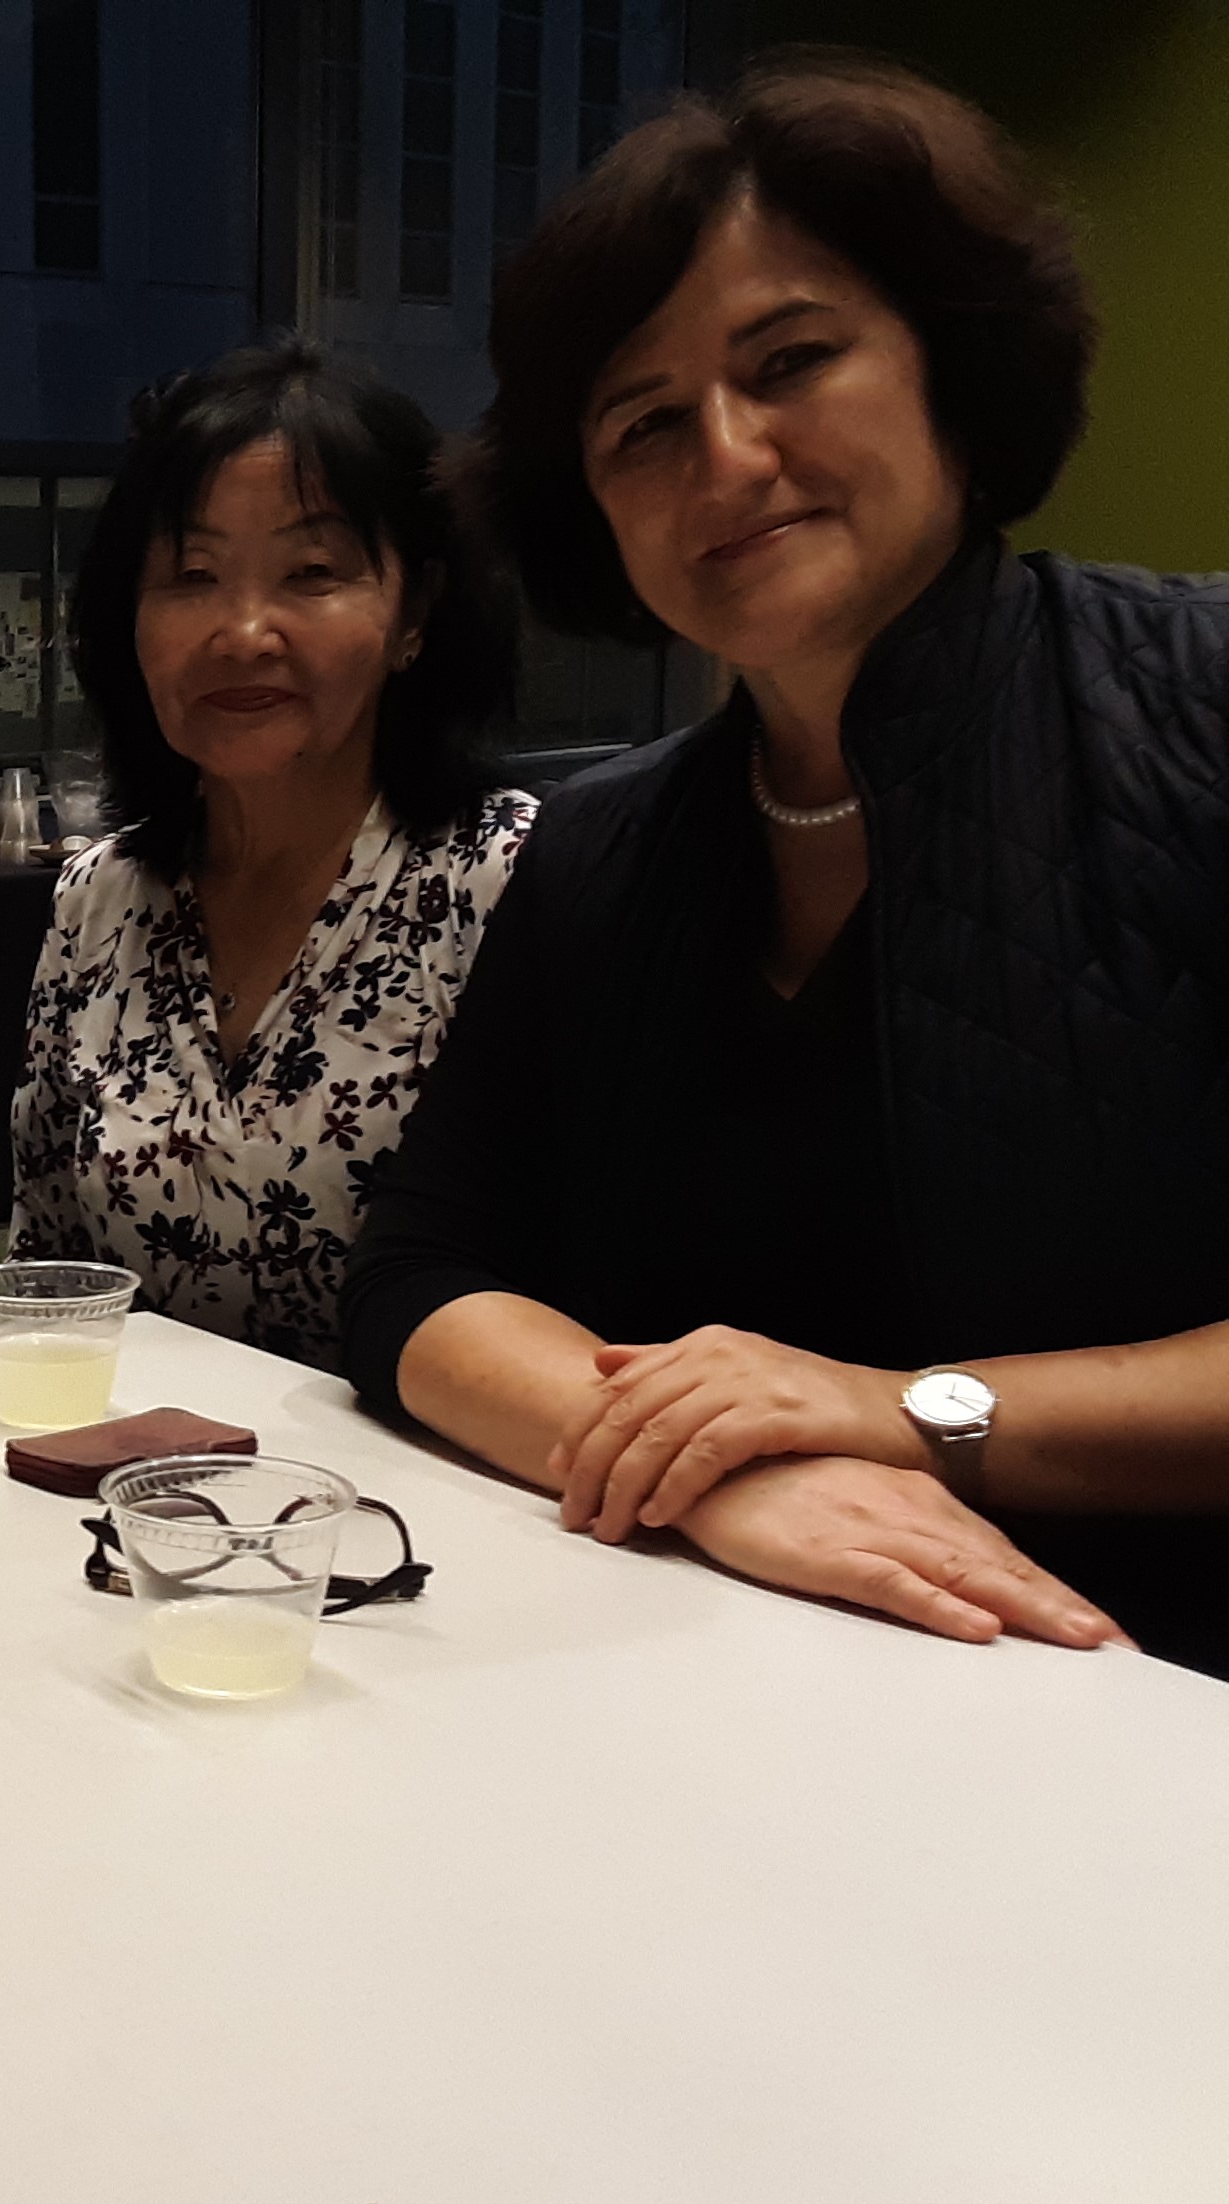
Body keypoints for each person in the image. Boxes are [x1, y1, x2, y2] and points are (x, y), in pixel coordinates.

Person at [343, 54, 1229, 1667]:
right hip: (705, 1701)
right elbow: (418, 1273)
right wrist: (708, 1474)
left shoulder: (1200, 709)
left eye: (790, 359)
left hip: (1153, 1720)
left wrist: (896, 1415)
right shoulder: (598, 845)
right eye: (641, 423)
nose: (727, 458)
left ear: (947, 369)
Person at [11, 343, 531, 1366]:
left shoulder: (513, 880)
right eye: (191, 575)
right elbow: (48, 1278)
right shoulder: (98, 901)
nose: (243, 631)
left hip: (444, 1506)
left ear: (413, 613)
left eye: (312, 573)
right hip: (158, 1504)